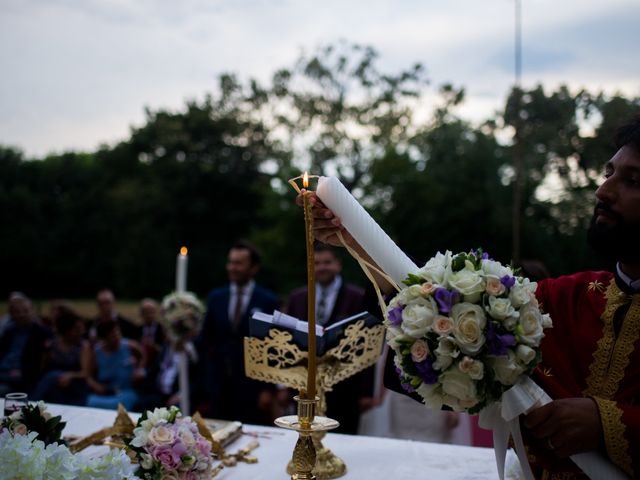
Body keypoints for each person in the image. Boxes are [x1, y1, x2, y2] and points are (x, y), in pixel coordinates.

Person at [300, 114, 640, 478]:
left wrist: (607, 423)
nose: (602, 192)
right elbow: (448, 332)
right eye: (607, 174)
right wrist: (359, 244)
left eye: (632, 180)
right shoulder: (564, 298)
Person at [286, 243, 367, 433]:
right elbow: (287, 339)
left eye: (327, 262)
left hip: (346, 387)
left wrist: (366, 391)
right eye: (316, 263)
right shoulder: (297, 298)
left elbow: (366, 342)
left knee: (344, 437)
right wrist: (284, 385)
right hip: (304, 386)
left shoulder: (358, 297)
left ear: (338, 265)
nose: (322, 267)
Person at [197, 240, 280, 424]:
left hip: (252, 389)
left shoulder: (267, 300)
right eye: (230, 262)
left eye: (238, 263)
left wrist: (268, 389)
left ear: (253, 268)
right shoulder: (216, 298)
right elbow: (206, 339)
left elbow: (273, 347)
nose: (232, 268)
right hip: (219, 386)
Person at [31, 305, 91, 405]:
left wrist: (69, 375)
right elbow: (43, 368)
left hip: (75, 386)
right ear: (67, 330)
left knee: (53, 375)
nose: (81, 332)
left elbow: (85, 373)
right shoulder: (52, 345)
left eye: (81, 328)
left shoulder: (83, 346)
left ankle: (32, 403)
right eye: (77, 329)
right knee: (51, 377)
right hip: (55, 386)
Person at [85, 320, 146, 410]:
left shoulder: (130, 346)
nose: (117, 337)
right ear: (104, 339)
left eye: (118, 333)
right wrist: (95, 385)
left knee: (119, 405)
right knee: (90, 401)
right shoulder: (96, 353)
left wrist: (139, 370)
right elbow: (88, 376)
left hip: (126, 391)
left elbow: (143, 357)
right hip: (105, 393)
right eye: (113, 336)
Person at [0, 293, 51, 395]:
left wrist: (20, 371)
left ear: (33, 311)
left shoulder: (41, 334)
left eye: (25, 311)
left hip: (19, 378)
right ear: (11, 314)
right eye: (17, 312)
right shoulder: (9, 332)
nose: (22, 315)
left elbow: (37, 365)